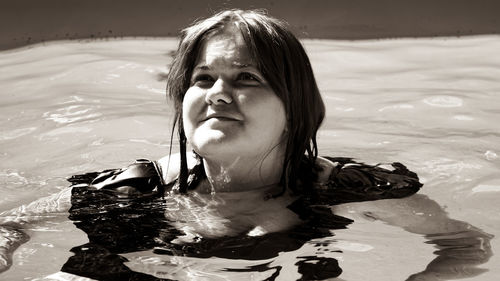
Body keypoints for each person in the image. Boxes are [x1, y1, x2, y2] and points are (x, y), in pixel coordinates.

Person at [0, 9, 492, 281]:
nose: (217, 94)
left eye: (246, 77)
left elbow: (465, 244)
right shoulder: (133, 191)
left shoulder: (350, 189)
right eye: (203, 78)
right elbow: (9, 223)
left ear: (294, 106)